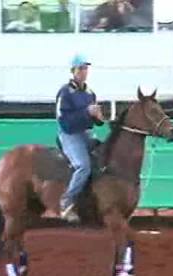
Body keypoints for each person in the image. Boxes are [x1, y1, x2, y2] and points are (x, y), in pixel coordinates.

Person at [56, 54, 104, 222]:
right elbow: (63, 121)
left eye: (85, 68)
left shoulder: (90, 93)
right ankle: (66, 201)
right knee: (83, 166)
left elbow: (97, 122)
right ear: (73, 71)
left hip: (86, 133)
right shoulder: (65, 92)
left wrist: (98, 117)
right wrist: (87, 113)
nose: (84, 72)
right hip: (70, 134)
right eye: (80, 68)